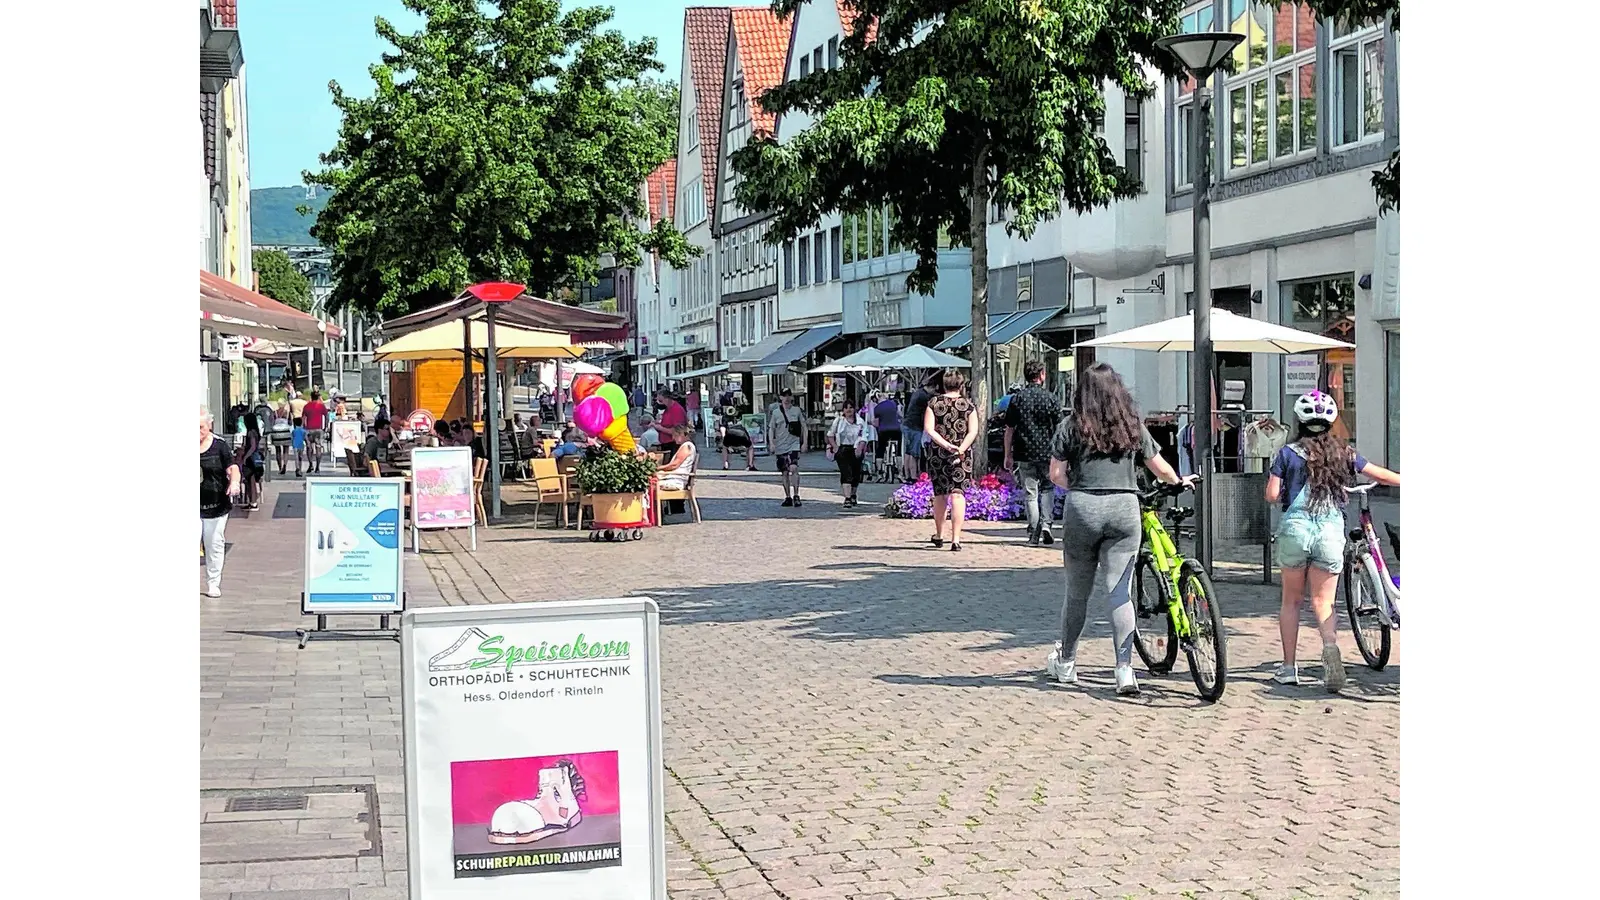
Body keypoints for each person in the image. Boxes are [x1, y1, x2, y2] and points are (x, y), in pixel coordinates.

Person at [1044, 362, 1193, 697]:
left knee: (1077, 593)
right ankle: (1124, 670)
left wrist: (1079, 488)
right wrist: (1180, 480)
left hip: (1082, 507)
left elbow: (1056, 475)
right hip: (1125, 509)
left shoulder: (1071, 425)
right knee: (1119, 592)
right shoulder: (1132, 426)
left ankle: (1066, 662)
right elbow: (1159, 466)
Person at [1267, 391, 1401, 691]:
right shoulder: (1345, 453)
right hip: (1329, 532)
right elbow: (1382, 474)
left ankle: (1288, 668)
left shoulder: (1287, 454)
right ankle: (1330, 648)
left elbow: (1273, 495)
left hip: (1295, 531)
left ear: (1300, 422)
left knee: (1291, 601)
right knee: (1323, 601)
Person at [1004, 360, 1063, 547]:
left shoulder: (1018, 399)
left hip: (1024, 451)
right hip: (1047, 452)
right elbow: (1060, 428)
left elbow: (1009, 428)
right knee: (1047, 489)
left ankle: (1034, 531)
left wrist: (1008, 453)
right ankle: (1046, 524)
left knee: (1030, 493)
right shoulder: (1051, 398)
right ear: (1042, 375)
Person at [922, 369, 979, 550]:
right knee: (958, 494)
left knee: (940, 495)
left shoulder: (934, 403)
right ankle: (956, 539)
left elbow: (929, 430)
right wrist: (960, 448)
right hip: (962, 456)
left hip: (939, 454)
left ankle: (939, 534)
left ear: (944, 385)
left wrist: (946, 445)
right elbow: (973, 431)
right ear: (961, 385)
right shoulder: (968, 405)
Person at [200, 405, 241, 598]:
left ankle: (213, 582)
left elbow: (232, 467)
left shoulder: (219, 445)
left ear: (209, 425)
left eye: (200, 427)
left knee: (214, 543)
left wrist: (234, 482)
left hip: (216, 504)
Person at [767, 389, 808, 507]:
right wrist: (772, 443)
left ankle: (796, 495)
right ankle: (788, 496)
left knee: (794, 468)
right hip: (780, 446)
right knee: (784, 472)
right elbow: (771, 428)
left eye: (788, 395)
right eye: (784, 396)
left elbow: (804, 426)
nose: (786, 398)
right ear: (780, 397)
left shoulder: (797, 411)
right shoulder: (775, 413)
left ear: (791, 397)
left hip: (793, 445)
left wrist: (804, 443)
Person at [827, 404, 868, 508]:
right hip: (843, 449)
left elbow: (864, 436)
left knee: (856, 474)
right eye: (846, 408)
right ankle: (847, 498)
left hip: (856, 449)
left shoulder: (860, 422)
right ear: (843, 410)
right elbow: (830, 434)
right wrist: (835, 447)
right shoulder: (839, 421)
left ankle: (853, 494)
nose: (848, 410)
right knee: (846, 473)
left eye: (851, 407)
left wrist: (859, 448)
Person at [902, 372, 938, 483]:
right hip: (915, 426)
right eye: (934, 390)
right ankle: (913, 476)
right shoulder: (924, 396)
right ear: (931, 388)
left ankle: (907, 474)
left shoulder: (917, 393)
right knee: (914, 452)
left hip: (907, 424)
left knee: (908, 451)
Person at [656, 423, 698, 491]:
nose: (673, 438)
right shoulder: (687, 445)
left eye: (675, 435)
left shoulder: (687, 446)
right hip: (676, 478)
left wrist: (658, 468)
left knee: (648, 485)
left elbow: (674, 465)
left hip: (676, 481)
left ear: (682, 434)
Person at [238, 413, 266, 510]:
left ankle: (253, 501)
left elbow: (252, 447)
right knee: (251, 481)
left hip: (251, 459)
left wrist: (245, 457)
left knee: (250, 481)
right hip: (256, 459)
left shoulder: (251, 433)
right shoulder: (256, 432)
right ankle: (252, 501)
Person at [871, 390, 902, 478]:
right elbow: (899, 415)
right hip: (896, 430)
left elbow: (876, 423)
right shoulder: (893, 403)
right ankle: (900, 472)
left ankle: (880, 472)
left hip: (884, 431)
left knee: (880, 449)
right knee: (898, 451)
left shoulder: (877, 408)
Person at [302, 391, 329, 473]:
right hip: (319, 429)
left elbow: (303, 418)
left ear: (311, 397)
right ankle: (317, 466)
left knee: (309, 448)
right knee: (318, 447)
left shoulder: (306, 406)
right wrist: (326, 427)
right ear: (318, 397)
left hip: (309, 429)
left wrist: (304, 427)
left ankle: (310, 464)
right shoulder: (321, 406)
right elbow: (326, 416)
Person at [656, 389, 687, 458]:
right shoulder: (668, 409)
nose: (659, 403)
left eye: (661, 401)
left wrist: (659, 428)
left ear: (667, 399)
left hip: (673, 444)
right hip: (666, 443)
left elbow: (677, 431)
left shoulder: (676, 410)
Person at [270, 401, 293, 474]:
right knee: (286, 450)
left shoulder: (274, 413)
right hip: (285, 432)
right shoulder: (287, 413)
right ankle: (285, 465)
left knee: (278, 450)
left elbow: (272, 422)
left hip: (276, 433)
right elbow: (290, 423)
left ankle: (279, 467)